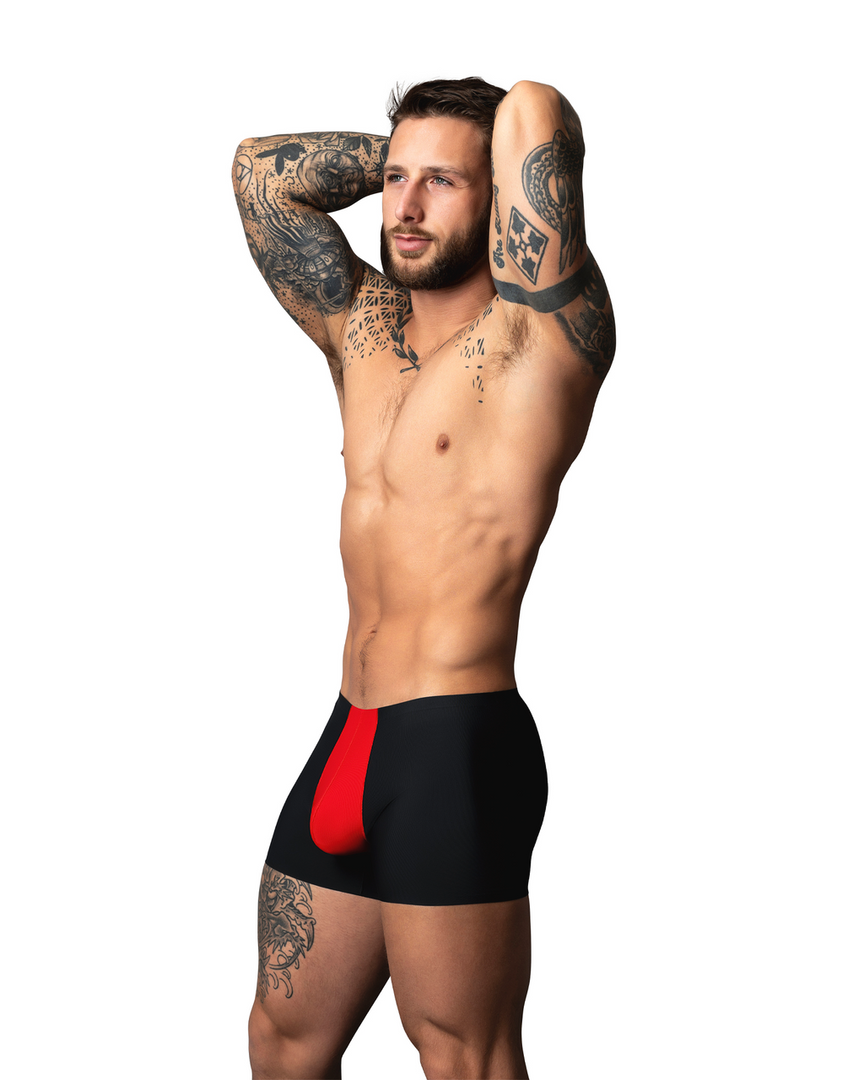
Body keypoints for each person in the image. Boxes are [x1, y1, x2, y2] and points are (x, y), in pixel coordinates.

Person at [233, 76, 614, 1079]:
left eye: (440, 183)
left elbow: (535, 110)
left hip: (455, 746)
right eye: (395, 180)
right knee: (282, 1040)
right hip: (349, 730)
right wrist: (410, 159)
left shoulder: (543, 336)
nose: (403, 206)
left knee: (460, 1054)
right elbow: (260, 176)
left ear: (499, 192)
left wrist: (474, 156)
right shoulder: (362, 328)